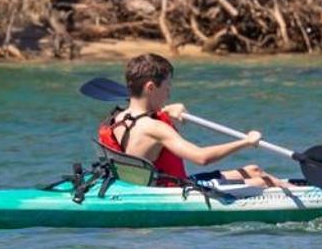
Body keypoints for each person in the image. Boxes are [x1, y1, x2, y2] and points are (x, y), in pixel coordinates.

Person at [98, 53, 287, 189]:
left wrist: (166, 112)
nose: (169, 94)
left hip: (157, 183)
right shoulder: (155, 128)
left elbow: (145, 134)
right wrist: (246, 142)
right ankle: (309, 199)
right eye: (166, 87)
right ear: (150, 87)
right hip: (173, 192)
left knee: (253, 170)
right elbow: (201, 158)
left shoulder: (118, 119)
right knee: (263, 182)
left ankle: (296, 188)